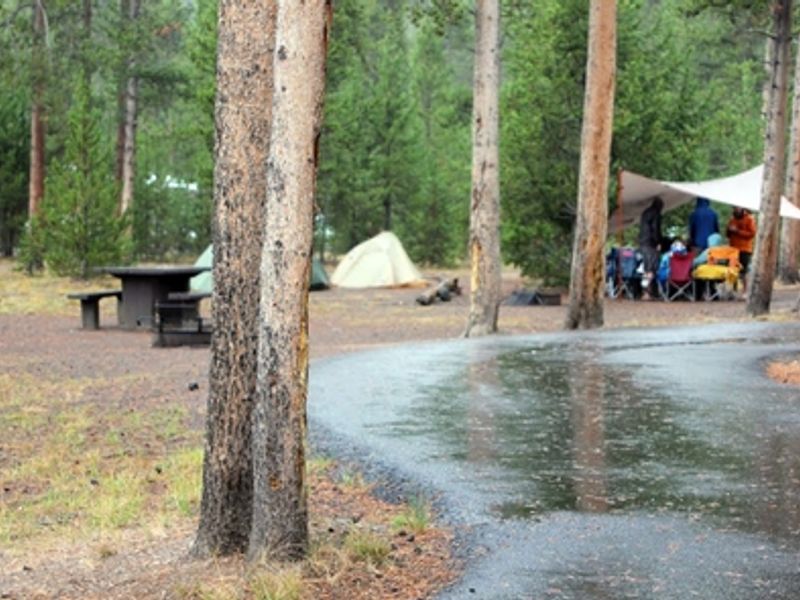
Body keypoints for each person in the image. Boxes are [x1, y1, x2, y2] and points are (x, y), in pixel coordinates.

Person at [639, 197, 664, 299]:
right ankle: (647, 293)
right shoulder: (656, 214)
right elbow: (655, 229)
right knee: (651, 269)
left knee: (646, 267)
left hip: (643, 242)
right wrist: (658, 242)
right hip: (651, 244)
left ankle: (648, 292)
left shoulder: (645, 212)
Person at [726, 207, 756, 292]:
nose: (735, 210)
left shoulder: (749, 219)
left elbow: (752, 234)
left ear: (742, 209)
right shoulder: (732, 219)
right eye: (734, 208)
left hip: (744, 249)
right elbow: (728, 235)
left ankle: (745, 290)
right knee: (733, 270)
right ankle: (733, 290)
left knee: (743, 270)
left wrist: (737, 231)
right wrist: (729, 230)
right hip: (733, 249)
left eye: (737, 208)